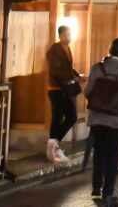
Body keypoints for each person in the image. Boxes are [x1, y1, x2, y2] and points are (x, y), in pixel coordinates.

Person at [84, 37, 118, 206]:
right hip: (117, 119)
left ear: (110, 49)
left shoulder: (96, 68)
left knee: (99, 151)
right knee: (112, 155)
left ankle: (96, 187)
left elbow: (88, 93)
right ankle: (108, 192)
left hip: (97, 118)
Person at [45, 24, 83, 163]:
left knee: (64, 117)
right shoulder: (55, 50)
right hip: (57, 89)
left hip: (64, 88)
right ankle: (53, 146)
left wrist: (77, 75)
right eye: (65, 35)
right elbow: (57, 70)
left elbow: (68, 68)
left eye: (69, 34)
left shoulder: (66, 48)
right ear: (59, 35)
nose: (68, 37)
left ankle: (54, 146)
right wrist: (72, 78)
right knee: (65, 117)